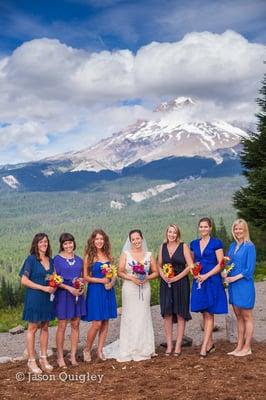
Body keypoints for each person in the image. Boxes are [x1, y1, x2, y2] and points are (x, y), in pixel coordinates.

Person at [104, 229, 158, 362]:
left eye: (138, 238)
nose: (136, 241)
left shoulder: (149, 255)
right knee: (130, 316)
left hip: (144, 288)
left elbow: (156, 272)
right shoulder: (126, 254)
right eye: (133, 239)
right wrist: (132, 278)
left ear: (142, 238)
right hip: (129, 289)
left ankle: (144, 347)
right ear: (130, 241)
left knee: (143, 315)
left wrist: (147, 278)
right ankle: (129, 347)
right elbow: (120, 272)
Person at [190, 217, 228, 358]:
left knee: (209, 312)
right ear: (199, 228)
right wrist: (195, 273)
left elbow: (221, 263)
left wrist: (206, 275)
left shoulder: (216, 243)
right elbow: (192, 262)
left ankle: (204, 347)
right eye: (201, 227)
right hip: (199, 280)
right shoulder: (193, 244)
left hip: (211, 280)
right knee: (203, 311)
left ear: (210, 228)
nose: (203, 229)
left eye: (206, 227)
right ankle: (210, 344)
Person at [19, 233, 56, 373]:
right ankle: (31, 361)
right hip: (35, 297)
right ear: (36, 244)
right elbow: (24, 280)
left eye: (45, 242)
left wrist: (54, 285)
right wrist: (43, 288)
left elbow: (53, 277)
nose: (44, 244)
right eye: (41, 242)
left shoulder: (50, 260)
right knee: (33, 327)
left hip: (47, 298)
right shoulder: (31, 260)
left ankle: (43, 358)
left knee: (45, 327)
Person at [158, 224, 193, 356]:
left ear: (178, 234)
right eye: (170, 232)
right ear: (166, 233)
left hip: (181, 283)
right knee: (167, 313)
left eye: (174, 232)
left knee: (180, 313)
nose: (171, 235)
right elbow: (159, 265)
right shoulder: (162, 247)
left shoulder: (183, 246)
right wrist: (164, 277)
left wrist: (176, 278)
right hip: (166, 283)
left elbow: (190, 266)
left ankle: (178, 344)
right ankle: (169, 344)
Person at [82, 229, 117, 361]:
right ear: (92, 241)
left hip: (107, 291)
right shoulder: (89, 257)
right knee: (97, 323)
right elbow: (85, 277)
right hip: (95, 291)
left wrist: (111, 283)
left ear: (105, 240)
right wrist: (101, 280)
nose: (99, 241)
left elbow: (113, 274)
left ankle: (100, 350)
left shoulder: (108, 256)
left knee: (105, 321)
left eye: (101, 239)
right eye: (97, 239)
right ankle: (87, 349)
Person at [54, 233, 86, 368]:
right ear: (62, 245)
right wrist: (69, 288)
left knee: (76, 324)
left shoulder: (79, 260)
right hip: (63, 294)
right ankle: (60, 357)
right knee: (62, 325)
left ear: (74, 243)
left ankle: (73, 355)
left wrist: (82, 285)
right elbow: (55, 280)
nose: (68, 245)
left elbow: (83, 277)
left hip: (77, 294)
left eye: (70, 242)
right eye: (65, 243)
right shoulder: (56, 259)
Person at [225, 219, 256, 357]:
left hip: (244, 285)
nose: (238, 231)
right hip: (232, 286)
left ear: (245, 230)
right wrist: (225, 271)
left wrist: (234, 277)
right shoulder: (232, 246)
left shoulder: (249, 246)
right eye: (236, 229)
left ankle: (247, 347)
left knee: (247, 316)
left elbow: (249, 270)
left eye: (240, 229)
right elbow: (228, 263)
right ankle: (239, 346)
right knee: (238, 316)